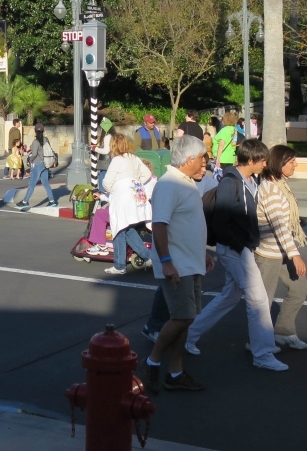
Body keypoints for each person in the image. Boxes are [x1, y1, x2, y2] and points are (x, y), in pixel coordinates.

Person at [184, 139, 288, 372]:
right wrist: (240, 246)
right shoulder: (231, 183)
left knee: (229, 297)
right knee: (258, 299)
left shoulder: (251, 180)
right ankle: (262, 354)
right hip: (234, 250)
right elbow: (222, 222)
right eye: (262, 160)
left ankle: (188, 334)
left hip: (240, 248)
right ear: (250, 160)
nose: (265, 164)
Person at [137, 135, 211, 394]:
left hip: (191, 262)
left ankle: (175, 372)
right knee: (182, 316)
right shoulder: (169, 184)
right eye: (202, 157)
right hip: (177, 265)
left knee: (186, 319)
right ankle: (152, 362)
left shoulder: (187, 183)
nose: (205, 162)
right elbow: (159, 224)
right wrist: (167, 262)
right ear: (189, 159)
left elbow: (187, 226)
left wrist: (203, 253)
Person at [255, 145, 307, 350]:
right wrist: (295, 255)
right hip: (268, 253)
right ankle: (257, 343)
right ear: (280, 163)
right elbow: (279, 226)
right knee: (263, 302)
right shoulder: (270, 190)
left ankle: (284, 332)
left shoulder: (280, 185)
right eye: (292, 161)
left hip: (284, 250)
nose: (296, 164)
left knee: (299, 289)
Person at [102, 133, 155, 276]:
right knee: (128, 228)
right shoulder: (134, 158)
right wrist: (136, 182)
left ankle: (119, 265)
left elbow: (107, 182)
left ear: (114, 146)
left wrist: (115, 190)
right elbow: (147, 174)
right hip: (137, 195)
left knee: (119, 228)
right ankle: (148, 256)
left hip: (123, 196)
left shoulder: (116, 160)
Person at [19, 123, 57, 210]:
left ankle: (25, 201)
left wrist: (30, 159)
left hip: (37, 164)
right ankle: (52, 201)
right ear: (43, 131)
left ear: (35, 131)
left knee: (32, 183)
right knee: (45, 183)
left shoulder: (36, 141)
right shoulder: (46, 140)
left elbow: (35, 154)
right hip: (46, 163)